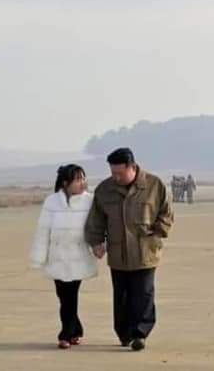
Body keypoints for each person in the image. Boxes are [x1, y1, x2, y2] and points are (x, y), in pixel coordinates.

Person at [85, 148, 174, 352]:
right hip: (118, 253)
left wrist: (158, 232)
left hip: (145, 251)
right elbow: (96, 220)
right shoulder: (104, 190)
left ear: (132, 167)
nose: (115, 177)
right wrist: (96, 242)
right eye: (112, 173)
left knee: (143, 294)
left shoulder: (154, 185)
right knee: (122, 296)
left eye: (120, 173)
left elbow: (166, 213)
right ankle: (124, 334)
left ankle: (140, 334)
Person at [30, 164, 98, 350]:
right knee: (63, 296)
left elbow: (97, 227)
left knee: (70, 296)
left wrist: (99, 246)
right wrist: (39, 257)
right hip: (57, 257)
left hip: (78, 257)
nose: (83, 183)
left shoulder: (90, 201)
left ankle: (65, 334)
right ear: (66, 183)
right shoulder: (51, 202)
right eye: (78, 179)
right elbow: (43, 231)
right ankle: (76, 329)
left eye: (83, 178)